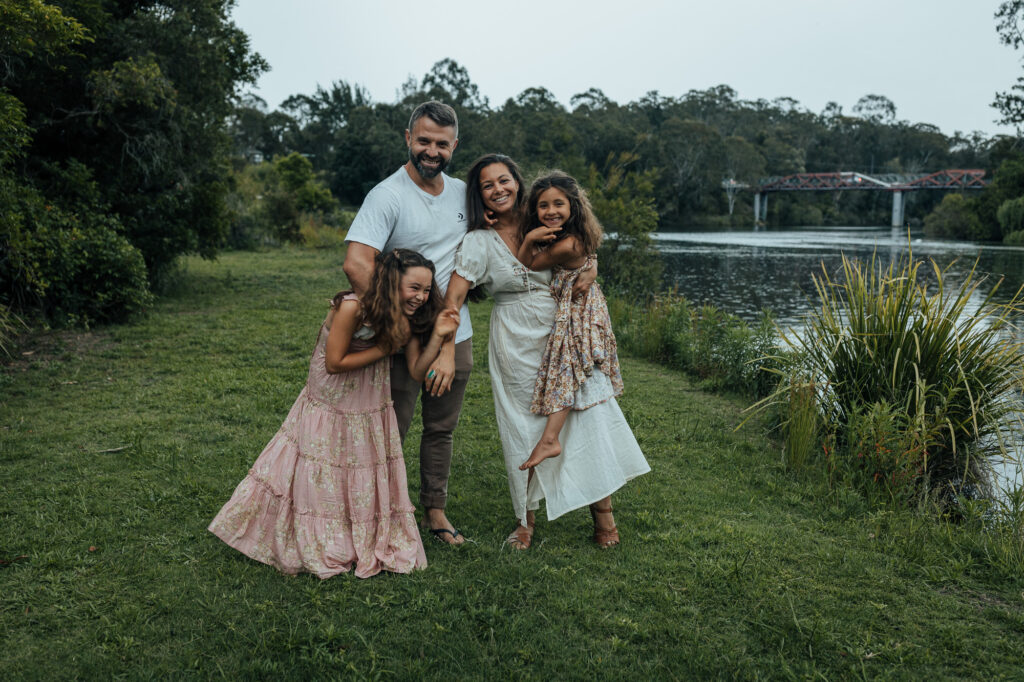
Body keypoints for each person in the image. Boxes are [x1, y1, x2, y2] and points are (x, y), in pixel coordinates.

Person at [209, 249, 460, 578]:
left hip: (368, 393)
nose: (421, 297)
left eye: (426, 290)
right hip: (333, 392)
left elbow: (416, 371)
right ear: (391, 282)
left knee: (356, 459)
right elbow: (334, 363)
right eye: (414, 288)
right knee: (324, 459)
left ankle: (350, 531)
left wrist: (438, 337)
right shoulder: (352, 307)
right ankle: (317, 534)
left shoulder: (409, 316)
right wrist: (385, 348)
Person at [444, 154, 650, 550]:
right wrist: (444, 347)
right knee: (522, 424)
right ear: (479, 195)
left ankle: (603, 515)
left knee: (586, 414)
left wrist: (591, 264)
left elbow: (580, 242)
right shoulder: (477, 240)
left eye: (504, 180)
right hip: (513, 336)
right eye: (488, 185)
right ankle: (525, 521)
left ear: (517, 182)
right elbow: (454, 297)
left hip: (564, 325)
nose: (498, 189)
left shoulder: (541, 218)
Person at [342, 101, 471, 545]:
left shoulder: (463, 193)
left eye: (442, 144)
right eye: (424, 141)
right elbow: (357, 262)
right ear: (408, 138)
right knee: (391, 426)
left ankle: (435, 511)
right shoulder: (387, 195)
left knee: (441, 428)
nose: (432, 152)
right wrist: (397, 325)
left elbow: (501, 236)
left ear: (455, 146)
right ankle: (380, 513)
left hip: (456, 331)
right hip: (404, 334)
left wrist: (584, 258)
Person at [516, 171, 625, 472]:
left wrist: (529, 239)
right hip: (581, 306)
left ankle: (551, 439)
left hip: (579, 311)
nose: (551, 211)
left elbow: (527, 265)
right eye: (543, 205)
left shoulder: (566, 245)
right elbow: (590, 255)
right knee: (568, 363)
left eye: (558, 204)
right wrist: (592, 264)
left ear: (573, 206)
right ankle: (551, 438)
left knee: (567, 364)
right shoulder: (573, 236)